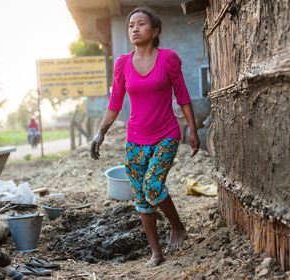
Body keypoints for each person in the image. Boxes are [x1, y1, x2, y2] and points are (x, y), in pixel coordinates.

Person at [90, 6, 200, 267]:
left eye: (141, 24)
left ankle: (177, 226)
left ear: (155, 30)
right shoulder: (123, 64)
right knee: (140, 195)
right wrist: (100, 133)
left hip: (166, 134)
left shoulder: (168, 59)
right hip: (136, 139)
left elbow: (182, 96)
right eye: (130, 25)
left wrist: (193, 129)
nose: (134, 29)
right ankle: (156, 252)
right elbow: (115, 103)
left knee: (152, 185)